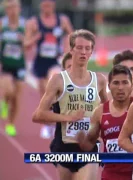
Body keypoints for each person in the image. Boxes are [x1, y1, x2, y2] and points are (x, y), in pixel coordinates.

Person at [32, 29, 108, 180]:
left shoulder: (99, 80)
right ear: (71, 49)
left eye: (87, 48)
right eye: (79, 48)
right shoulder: (58, 80)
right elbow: (38, 115)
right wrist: (68, 118)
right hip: (64, 147)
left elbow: (108, 111)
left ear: (92, 51)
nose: (83, 52)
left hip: (89, 147)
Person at [25, 0, 73, 138]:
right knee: (44, 95)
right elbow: (26, 44)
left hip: (55, 60)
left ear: (53, 5)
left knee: (52, 84)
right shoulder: (34, 23)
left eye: (49, 5)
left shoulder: (62, 20)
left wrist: (67, 48)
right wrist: (35, 38)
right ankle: (47, 124)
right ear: (41, 6)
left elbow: (73, 35)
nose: (47, 8)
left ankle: (56, 121)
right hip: (40, 62)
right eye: (44, 5)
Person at [77, 65, 133, 180]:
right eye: (116, 83)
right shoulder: (100, 112)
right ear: (109, 86)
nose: (120, 87)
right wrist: (81, 138)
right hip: (111, 175)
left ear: (132, 86)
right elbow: (88, 144)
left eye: (125, 83)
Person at [0, 0, 26, 136]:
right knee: (9, 90)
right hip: (5, 65)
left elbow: (29, 45)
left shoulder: (24, 25)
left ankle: (10, 124)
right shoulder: (2, 24)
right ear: (6, 10)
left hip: (20, 66)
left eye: (15, 7)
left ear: (19, 9)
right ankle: (4, 102)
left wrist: (25, 41)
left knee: (16, 98)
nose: (12, 10)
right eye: (9, 8)